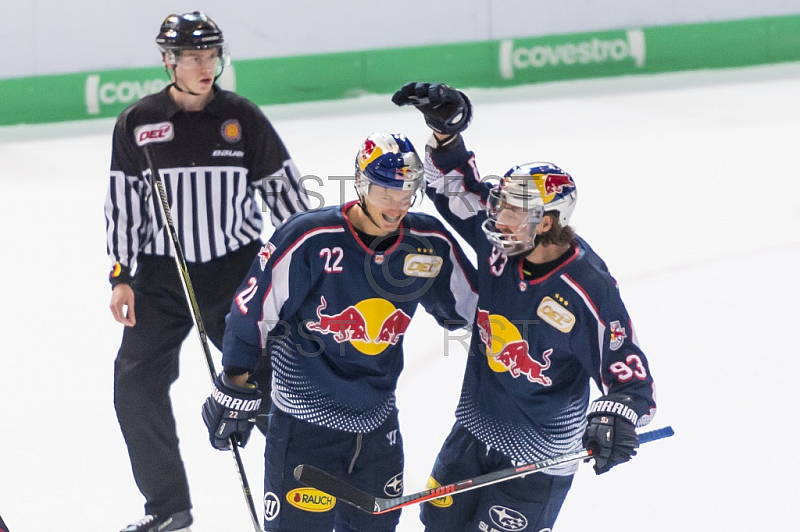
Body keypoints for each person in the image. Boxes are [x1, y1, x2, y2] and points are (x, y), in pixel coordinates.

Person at [392, 82, 657, 531]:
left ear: (546, 221)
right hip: (473, 431)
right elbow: (458, 187)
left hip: (539, 453)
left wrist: (617, 415)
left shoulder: (587, 288)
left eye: (512, 210)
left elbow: (630, 379)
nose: (497, 218)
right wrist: (445, 135)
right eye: (501, 206)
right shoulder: (504, 240)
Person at [201, 132, 479, 531]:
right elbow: (252, 311)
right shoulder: (310, 238)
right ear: (362, 184)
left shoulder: (427, 243)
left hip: (377, 422)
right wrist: (234, 380)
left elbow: (474, 310)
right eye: (388, 191)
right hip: (305, 426)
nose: (398, 205)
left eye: (408, 194)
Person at [105, 11, 309, 532]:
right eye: (194, 57)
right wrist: (121, 275)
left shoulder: (242, 118)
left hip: (236, 276)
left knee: (268, 387)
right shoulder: (138, 123)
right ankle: (167, 506)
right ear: (169, 61)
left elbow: (287, 199)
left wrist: (308, 265)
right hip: (160, 279)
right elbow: (124, 205)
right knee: (135, 386)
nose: (205, 66)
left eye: (211, 55)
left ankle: (306, 490)